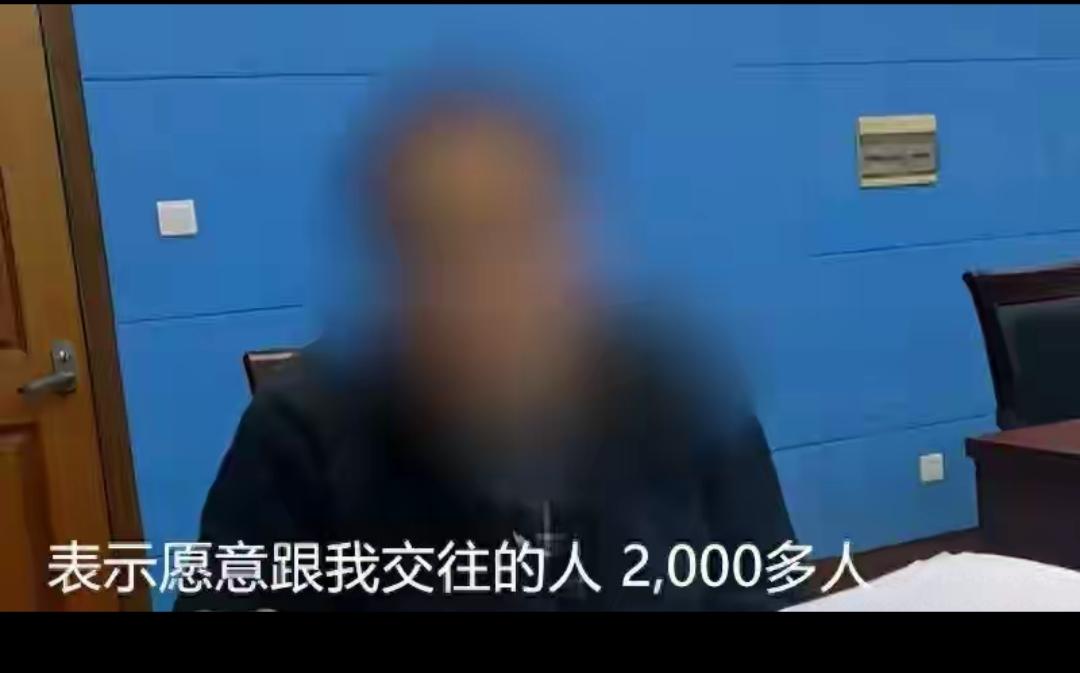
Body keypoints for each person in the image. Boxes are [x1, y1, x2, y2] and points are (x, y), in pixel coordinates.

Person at [175, 76, 800, 611]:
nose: (486, 280)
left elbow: (767, 590)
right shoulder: (300, 428)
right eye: (441, 242)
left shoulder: (684, 400)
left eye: (517, 232)